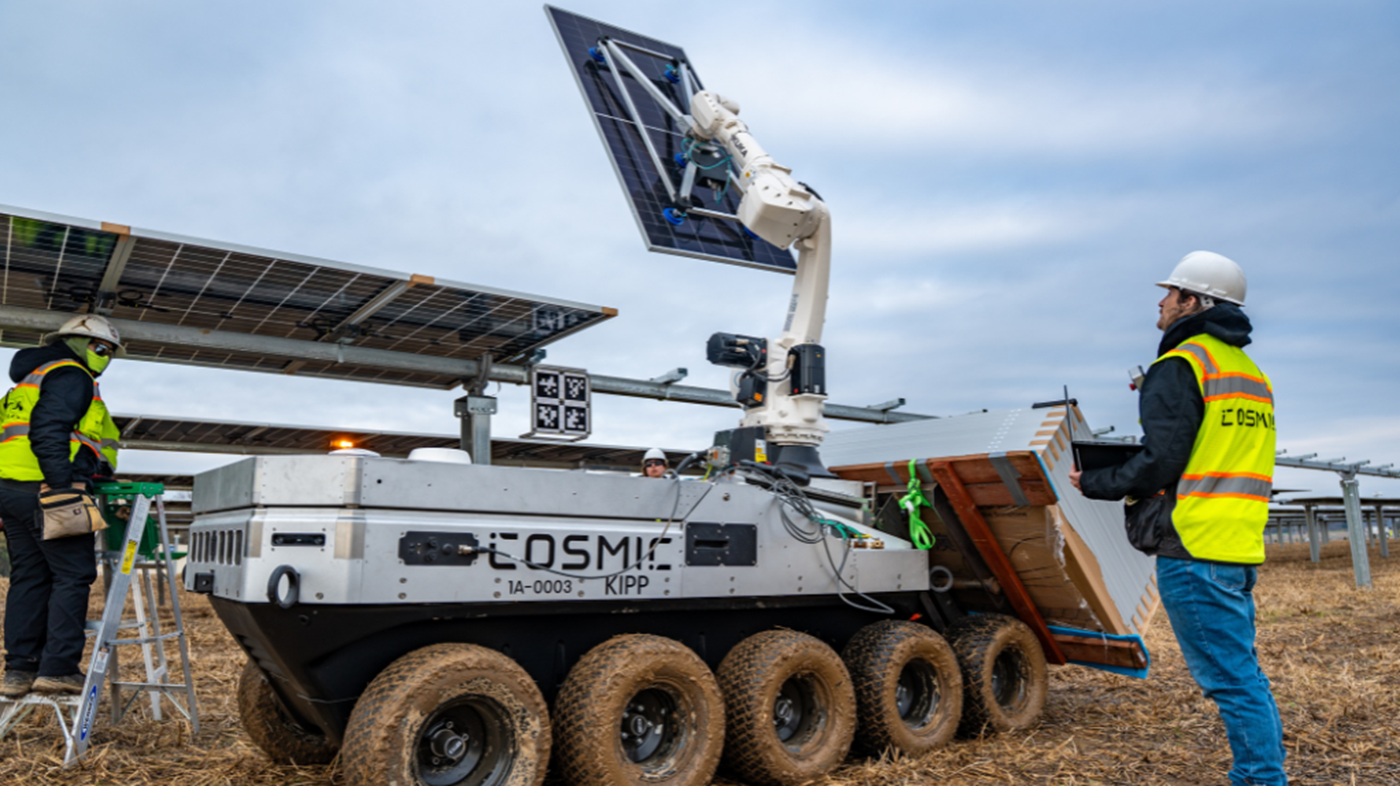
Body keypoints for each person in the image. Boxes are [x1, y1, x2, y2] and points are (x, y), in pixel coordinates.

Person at [1070, 251, 1285, 786]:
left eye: (1171, 293)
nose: (1161, 302)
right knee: (1243, 675)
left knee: (1231, 681)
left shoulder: (1183, 365)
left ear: (1194, 302)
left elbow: (1162, 460)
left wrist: (1095, 481)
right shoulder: (1249, 374)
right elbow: (1209, 448)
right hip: (1236, 545)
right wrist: (1160, 400)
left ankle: (1261, 779)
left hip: (1194, 546)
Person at [0, 315, 123, 698]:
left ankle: (19, 670)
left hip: (12, 491)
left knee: (29, 577)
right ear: (83, 345)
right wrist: (61, 488)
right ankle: (58, 668)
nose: (105, 357)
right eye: (103, 349)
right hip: (47, 489)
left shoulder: (23, 385)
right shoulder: (71, 375)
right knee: (73, 575)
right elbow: (48, 431)